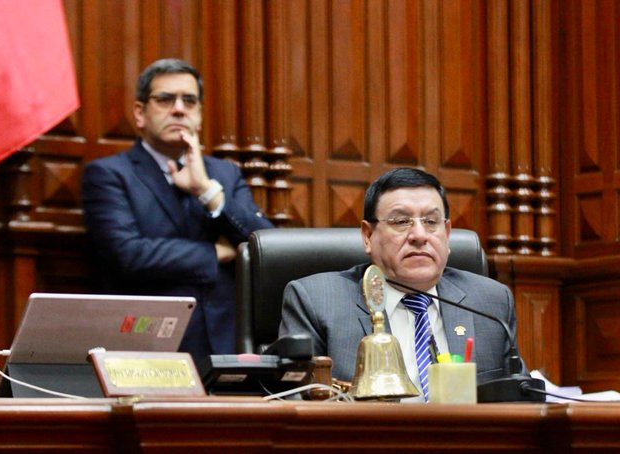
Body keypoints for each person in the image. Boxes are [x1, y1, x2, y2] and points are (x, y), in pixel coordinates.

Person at [82, 58, 274, 363]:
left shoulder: (223, 175)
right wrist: (217, 253)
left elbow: (266, 247)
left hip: (229, 346)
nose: (179, 109)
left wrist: (206, 191)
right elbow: (128, 255)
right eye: (165, 99)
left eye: (189, 101)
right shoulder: (109, 174)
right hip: (150, 348)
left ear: (199, 116)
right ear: (140, 113)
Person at [279, 167, 526, 402]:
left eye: (431, 221)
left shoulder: (490, 303)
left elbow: (521, 399)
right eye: (400, 221)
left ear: (447, 234)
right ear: (368, 236)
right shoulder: (317, 301)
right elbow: (295, 400)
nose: (419, 235)